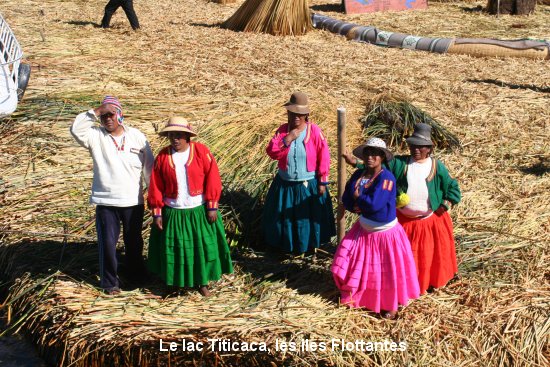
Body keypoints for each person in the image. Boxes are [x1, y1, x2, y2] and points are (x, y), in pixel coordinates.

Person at [344, 123, 461, 295]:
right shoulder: (400, 163)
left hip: (428, 222)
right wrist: (356, 163)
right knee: (404, 260)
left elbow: (453, 189)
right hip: (403, 223)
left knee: (428, 258)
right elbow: (377, 168)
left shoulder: (437, 167)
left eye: (420, 146)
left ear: (429, 148)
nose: (415, 149)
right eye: (412, 145)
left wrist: (444, 205)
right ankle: (402, 288)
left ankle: (427, 284)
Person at [70, 96, 154, 295]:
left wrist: (153, 195)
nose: (108, 118)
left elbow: (149, 168)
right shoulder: (95, 136)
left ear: (120, 115)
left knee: (134, 242)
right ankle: (110, 283)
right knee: (108, 244)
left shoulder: (137, 136)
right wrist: (97, 110)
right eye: (104, 115)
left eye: (111, 114)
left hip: (133, 201)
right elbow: (76, 129)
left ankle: (136, 278)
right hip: (106, 202)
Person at [332, 138, 419, 319]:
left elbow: (375, 204)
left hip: (384, 234)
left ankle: (390, 306)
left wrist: (359, 198)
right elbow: (347, 196)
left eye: (375, 154)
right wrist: (354, 203)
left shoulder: (386, 178)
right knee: (356, 264)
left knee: (386, 273)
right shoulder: (359, 175)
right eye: (367, 153)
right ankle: (360, 297)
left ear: (381, 158)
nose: (370, 157)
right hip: (364, 230)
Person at [147, 117, 233, 297]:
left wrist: (211, 206)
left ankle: (201, 282)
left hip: (198, 211)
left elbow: (213, 178)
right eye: (171, 135)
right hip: (174, 211)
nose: (175, 139)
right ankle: (173, 283)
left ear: (188, 137)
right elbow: (155, 186)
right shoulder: (163, 156)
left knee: (199, 248)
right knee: (174, 249)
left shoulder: (201, 152)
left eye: (179, 135)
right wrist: (157, 212)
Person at [263, 92, 336, 255]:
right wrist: (287, 139)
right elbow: (272, 152)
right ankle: (286, 248)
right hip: (285, 184)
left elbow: (324, 156)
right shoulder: (282, 130)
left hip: (307, 184)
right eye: (293, 113)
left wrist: (322, 181)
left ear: (306, 115)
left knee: (305, 219)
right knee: (282, 218)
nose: (296, 117)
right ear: (288, 113)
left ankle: (307, 248)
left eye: (300, 114)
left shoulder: (315, 131)